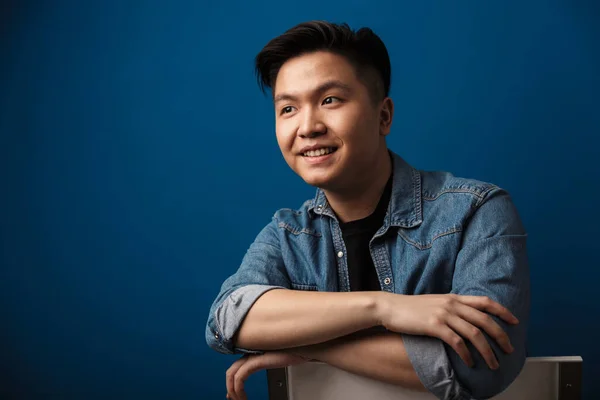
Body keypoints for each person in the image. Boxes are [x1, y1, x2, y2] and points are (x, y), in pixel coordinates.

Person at [206, 20, 530, 400]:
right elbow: (228, 320)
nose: (307, 127)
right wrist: (384, 309)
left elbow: (480, 365)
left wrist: (307, 346)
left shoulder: (475, 211)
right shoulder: (288, 234)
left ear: (383, 116)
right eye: (288, 108)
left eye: (330, 100)